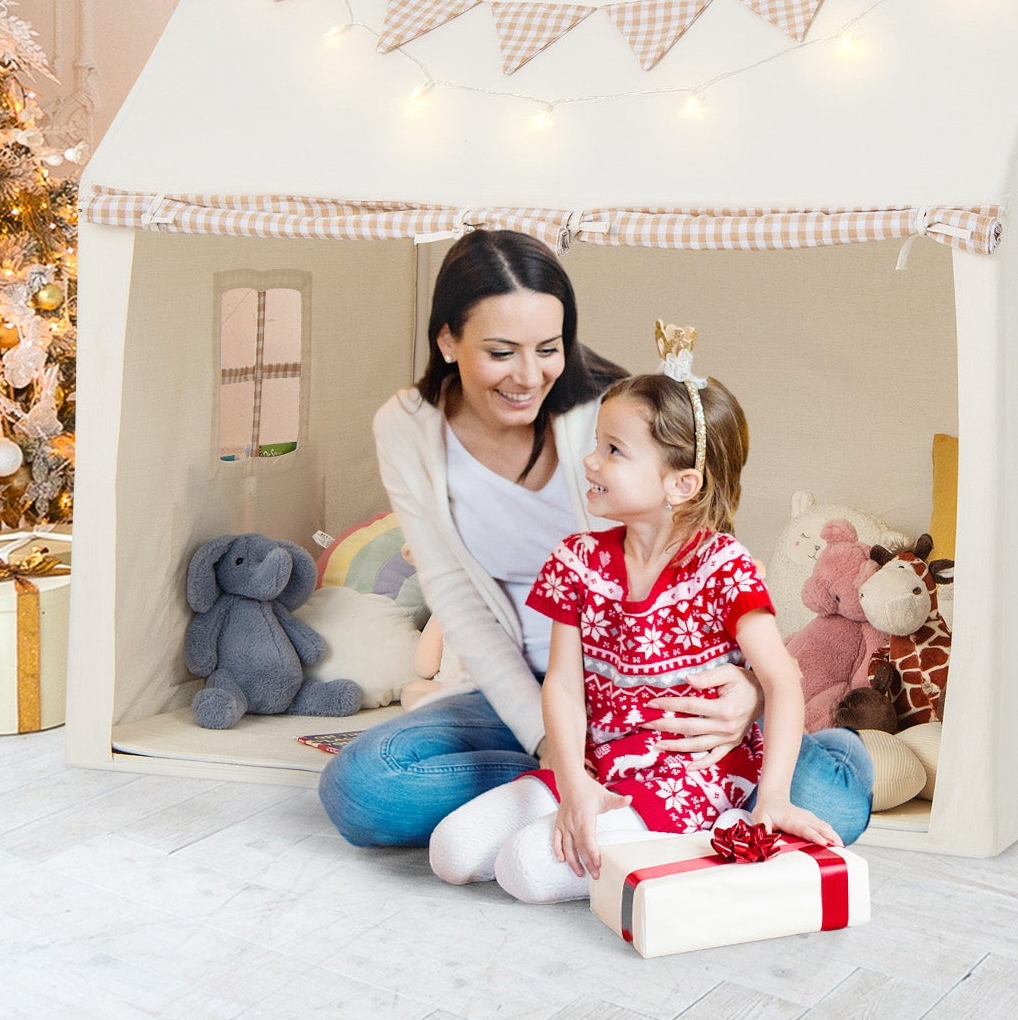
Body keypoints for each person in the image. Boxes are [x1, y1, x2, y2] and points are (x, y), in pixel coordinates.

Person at [316, 231, 872, 851]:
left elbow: (698, 555)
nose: (530, 376)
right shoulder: (409, 429)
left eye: (549, 349)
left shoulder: (615, 406)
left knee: (825, 800)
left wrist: (748, 692)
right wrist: (557, 750)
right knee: (366, 788)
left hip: (671, 717)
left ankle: (812, 756)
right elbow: (456, 596)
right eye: (501, 351)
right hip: (529, 698)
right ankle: (592, 805)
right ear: (448, 340)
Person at [428, 323, 839, 902]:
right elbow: (565, 686)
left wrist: (773, 798)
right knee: (450, 851)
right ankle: (613, 828)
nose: (590, 462)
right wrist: (574, 787)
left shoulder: (724, 564)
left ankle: (706, 833)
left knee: (524, 867)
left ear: (681, 484)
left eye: (613, 450)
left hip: (687, 777)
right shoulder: (578, 559)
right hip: (599, 762)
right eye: (597, 443)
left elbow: (782, 679)